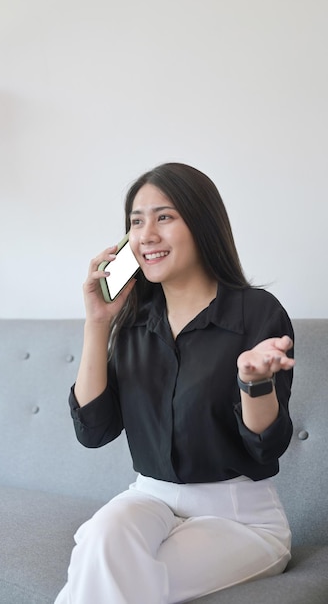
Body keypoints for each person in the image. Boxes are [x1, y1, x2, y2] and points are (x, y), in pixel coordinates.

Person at [54, 162, 295, 604]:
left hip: (239, 518)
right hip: (149, 498)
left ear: (201, 224)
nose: (146, 234)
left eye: (164, 217)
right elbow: (94, 430)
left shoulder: (257, 313)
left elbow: (266, 446)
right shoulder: (132, 324)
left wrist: (253, 383)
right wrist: (97, 323)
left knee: (111, 575)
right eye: (136, 221)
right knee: (102, 536)